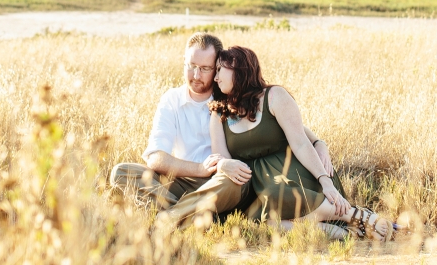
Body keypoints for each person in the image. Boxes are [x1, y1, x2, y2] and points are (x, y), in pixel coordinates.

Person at [109, 32, 336, 229]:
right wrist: (200, 168)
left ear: (219, 67)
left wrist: (319, 143)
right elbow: (155, 158)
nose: (196, 75)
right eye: (191, 66)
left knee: (230, 178)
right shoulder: (171, 100)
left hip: (226, 183)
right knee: (121, 172)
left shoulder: (231, 98)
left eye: (206, 69)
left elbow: (284, 125)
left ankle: (172, 217)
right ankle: (203, 217)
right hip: (181, 179)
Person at [209, 46, 395, 241]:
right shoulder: (218, 113)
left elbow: (301, 143)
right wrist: (225, 168)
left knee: (275, 193)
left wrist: (326, 182)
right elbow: (222, 158)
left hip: (293, 175)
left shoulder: (274, 96)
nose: (215, 77)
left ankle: (355, 215)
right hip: (257, 187)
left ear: (238, 69)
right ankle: (344, 233)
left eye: (220, 70)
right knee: (261, 223)